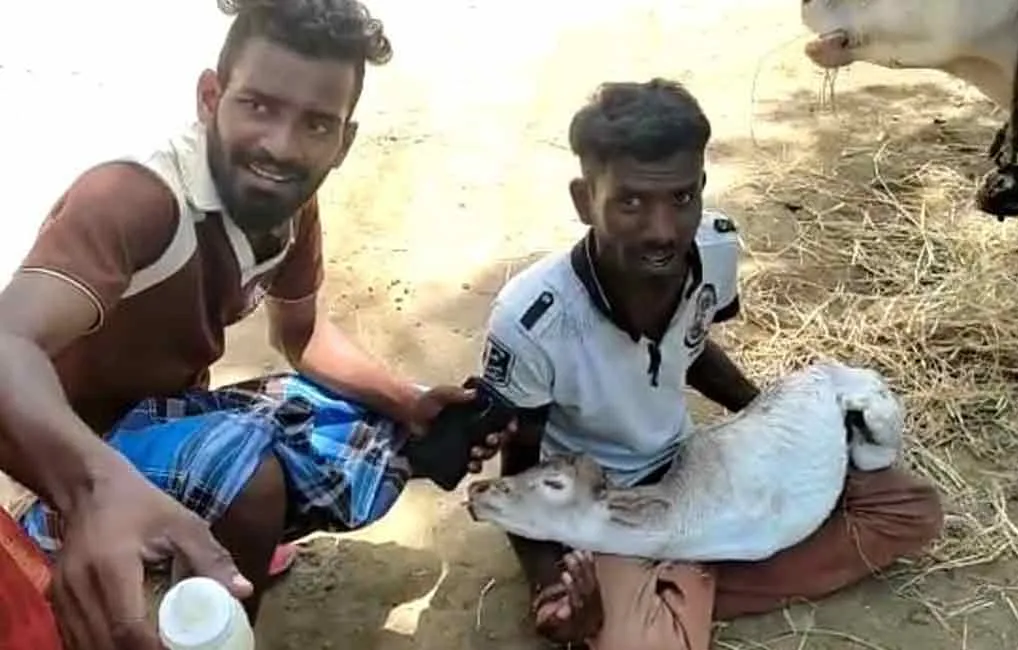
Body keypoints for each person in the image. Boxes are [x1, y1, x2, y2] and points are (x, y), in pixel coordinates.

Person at [0, 1, 513, 648]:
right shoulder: (137, 201)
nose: (282, 147)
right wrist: (92, 488)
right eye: (260, 106)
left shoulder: (288, 204)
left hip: (171, 412)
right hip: (70, 444)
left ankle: (224, 569)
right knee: (250, 479)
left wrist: (408, 403)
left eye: (317, 124)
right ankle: (205, 601)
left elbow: (301, 335)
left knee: (378, 434)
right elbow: (5, 341)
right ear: (211, 97)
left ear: (345, 139)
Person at [480, 78, 945, 650]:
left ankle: (673, 583)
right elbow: (519, 470)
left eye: (681, 198)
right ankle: (658, 584)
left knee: (908, 510)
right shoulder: (531, 321)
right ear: (584, 200)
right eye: (630, 202)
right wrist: (551, 593)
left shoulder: (716, 246)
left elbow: (692, 347)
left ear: (700, 186)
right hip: (603, 504)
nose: (662, 231)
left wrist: (768, 425)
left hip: (690, 464)